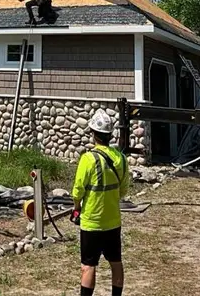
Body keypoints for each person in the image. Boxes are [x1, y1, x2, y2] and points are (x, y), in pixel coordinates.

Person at [70, 109, 130, 296]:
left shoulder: (88, 159)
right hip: (113, 221)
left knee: (88, 266)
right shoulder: (120, 158)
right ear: (110, 135)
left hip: (91, 222)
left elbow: (78, 190)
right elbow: (123, 190)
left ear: (93, 134)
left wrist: (76, 208)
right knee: (116, 262)